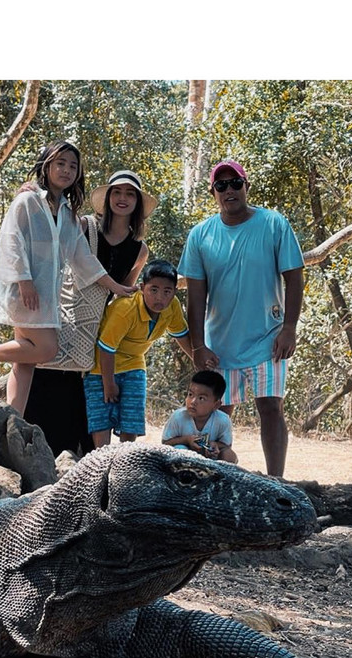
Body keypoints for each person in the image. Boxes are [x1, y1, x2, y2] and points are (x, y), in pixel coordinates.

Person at [0, 141, 137, 415]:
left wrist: (116, 287)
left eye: (73, 166)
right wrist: (24, 280)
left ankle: (13, 418)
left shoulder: (66, 213)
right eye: (60, 163)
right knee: (46, 349)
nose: (66, 170)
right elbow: (12, 241)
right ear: (46, 166)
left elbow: (82, 257)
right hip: (25, 292)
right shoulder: (27, 201)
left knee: (25, 362)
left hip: (46, 297)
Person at [178, 159, 304, 477]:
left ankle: (278, 481)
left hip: (268, 338)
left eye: (235, 183)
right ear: (213, 193)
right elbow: (195, 296)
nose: (229, 190)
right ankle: (209, 478)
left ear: (246, 186)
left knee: (271, 408)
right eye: (221, 186)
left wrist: (289, 327)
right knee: (216, 414)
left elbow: (295, 276)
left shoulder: (274, 224)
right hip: (220, 344)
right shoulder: (200, 236)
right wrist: (198, 345)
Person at [23, 169, 157, 456]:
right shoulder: (84, 226)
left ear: (137, 203)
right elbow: (48, 232)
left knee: (82, 404)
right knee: (48, 383)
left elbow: (122, 295)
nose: (123, 199)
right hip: (64, 318)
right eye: (117, 192)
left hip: (95, 334)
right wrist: (31, 195)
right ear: (107, 197)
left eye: (130, 193)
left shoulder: (139, 250)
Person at [84, 259, 192, 448]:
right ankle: (101, 461)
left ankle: (126, 459)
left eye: (167, 291)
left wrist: (199, 361)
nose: (160, 297)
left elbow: (181, 336)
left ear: (174, 292)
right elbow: (106, 348)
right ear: (142, 288)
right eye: (154, 290)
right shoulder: (126, 309)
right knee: (101, 417)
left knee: (132, 416)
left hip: (134, 364)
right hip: (102, 367)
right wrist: (108, 384)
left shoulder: (172, 307)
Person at [161, 370, 238, 463]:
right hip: (183, 463)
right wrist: (186, 440)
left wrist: (214, 445)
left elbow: (226, 446)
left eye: (201, 398)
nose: (193, 401)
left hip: (211, 461)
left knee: (229, 455)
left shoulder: (223, 420)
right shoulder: (178, 417)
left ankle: (222, 477)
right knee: (179, 449)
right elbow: (165, 443)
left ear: (216, 405)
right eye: (190, 394)